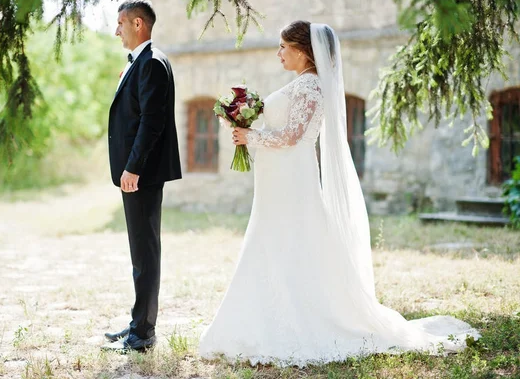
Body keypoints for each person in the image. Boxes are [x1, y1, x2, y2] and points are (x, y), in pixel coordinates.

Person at [199, 21, 479, 366]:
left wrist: (250, 138)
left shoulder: (312, 87)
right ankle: (258, 314)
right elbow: (282, 132)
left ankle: (301, 318)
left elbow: (292, 136)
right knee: (271, 238)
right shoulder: (300, 84)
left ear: (302, 51)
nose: (278, 53)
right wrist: (245, 126)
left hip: (292, 178)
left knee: (291, 238)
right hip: (276, 177)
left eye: (284, 47)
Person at [104, 0, 181, 352]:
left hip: (142, 175)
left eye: (121, 23)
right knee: (140, 252)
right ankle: (138, 321)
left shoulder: (151, 63)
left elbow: (151, 122)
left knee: (145, 253)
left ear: (138, 24)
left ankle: (143, 333)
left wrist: (132, 167)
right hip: (135, 173)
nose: (116, 30)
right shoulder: (143, 62)